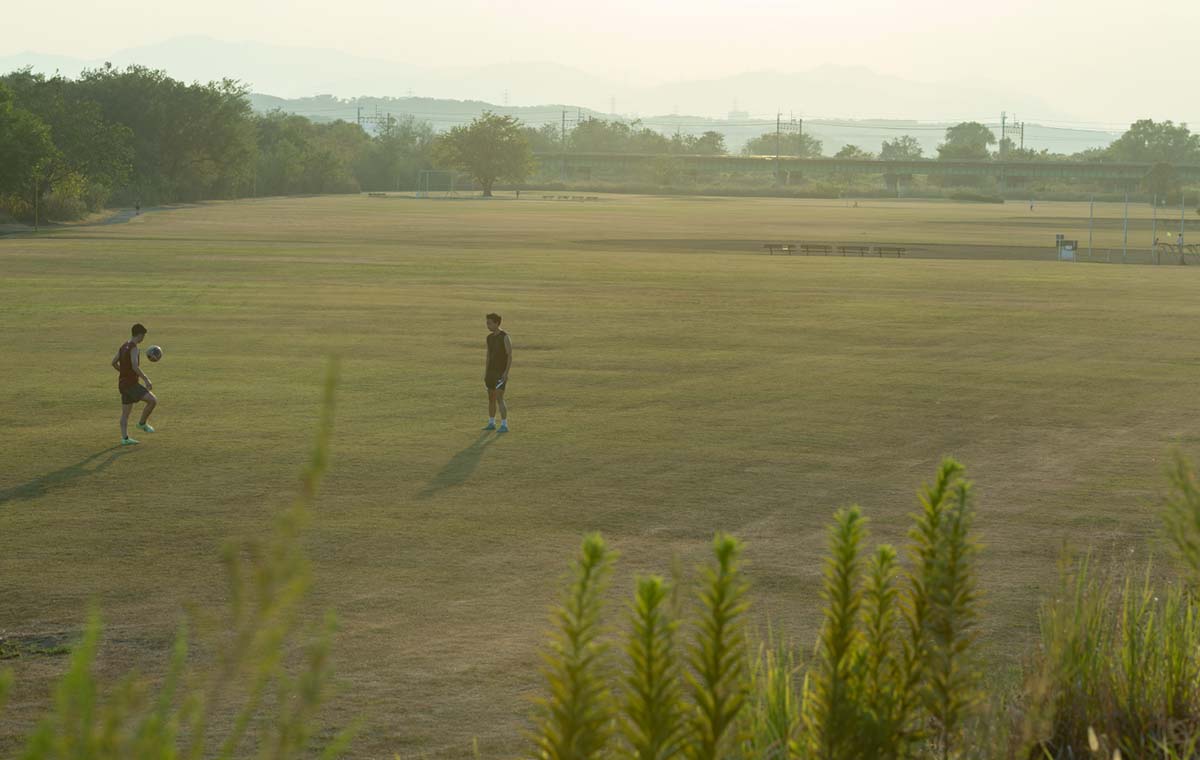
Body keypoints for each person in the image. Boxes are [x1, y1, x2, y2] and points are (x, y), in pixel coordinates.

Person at [111, 323, 158, 445]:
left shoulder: (123, 346)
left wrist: (124, 373)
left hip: (122, 384)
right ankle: (142, 424)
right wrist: (146, 379)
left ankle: (125, 439)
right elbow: (135, 366)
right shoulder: (133, 347)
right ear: (140, 334)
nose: (143, 338)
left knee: (125, 413)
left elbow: (114, 362)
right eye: (143, 336)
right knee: (152, 400)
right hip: (131, 384)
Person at [483, 312, 512, 433]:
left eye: (489, 323)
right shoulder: (489, 338)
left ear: (496, 323)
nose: (487, 325)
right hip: (490, 373)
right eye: (487, 323)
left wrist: (506, 373)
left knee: (499, 397)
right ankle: (491, 422)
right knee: (491, 397)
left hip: (500, 373)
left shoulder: (505, 336)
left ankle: (504, 425)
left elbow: (509, 355)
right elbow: (488, 355)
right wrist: (486, 372)